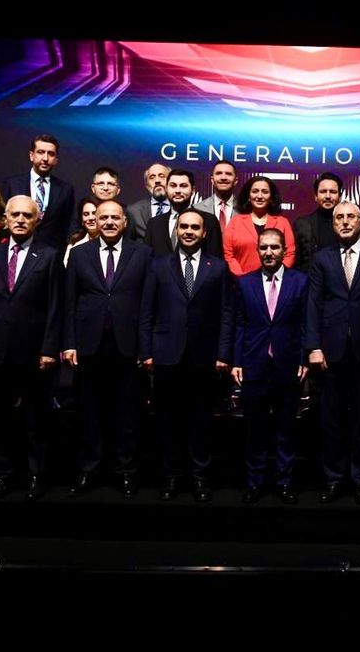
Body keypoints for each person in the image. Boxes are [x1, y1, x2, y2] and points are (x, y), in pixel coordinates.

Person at [0, 196, 63, 501]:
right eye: (15, 214)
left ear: (37, 220)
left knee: (36, 420)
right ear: (5, 218)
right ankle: (1, 475)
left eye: (27, 215)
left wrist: (50, 349)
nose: (21, 220)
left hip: (34, 352)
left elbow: (56, 307)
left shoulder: (49, 255)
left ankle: (36, 475)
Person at [139, 210, 233, 504]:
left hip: (204, 356)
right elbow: (147, 311)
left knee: (201, 420)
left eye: (195, 227)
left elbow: (226, 313)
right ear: (176, 231)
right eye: (184, 227)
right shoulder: (158, 266)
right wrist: (146, 351)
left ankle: (199, 476)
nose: (189, 231)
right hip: (166, 354)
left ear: (205, 233)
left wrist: (223, 353)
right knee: (168, 420)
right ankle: (171, 476)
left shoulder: (218, 267)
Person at [63, 200, 153, 498]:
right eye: (104, 218)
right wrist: (69, 343)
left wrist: (145, 347)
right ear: (95, 222)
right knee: (89, 413)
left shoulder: (142, 253)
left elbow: (148, 303)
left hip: (128, 344)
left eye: (116, 217)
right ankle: (88, 470)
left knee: (127, 414)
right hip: (88, 344)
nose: (110, 222)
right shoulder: (79, 253)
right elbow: (69, 301)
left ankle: (126, 471)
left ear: (125, 222)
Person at [304, 201, 360, 505]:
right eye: (339, 217)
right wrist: (314, 346)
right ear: (333, 224)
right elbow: (313, 304)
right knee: (331, 421)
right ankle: (334, 480)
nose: (344, 222)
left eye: (350, 217)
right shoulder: (322, 258)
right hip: (330, 351)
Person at [223, 228, 309, 505]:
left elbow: (305, 323)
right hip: (254, 363)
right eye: (264, 247)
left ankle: (284, 482)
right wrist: (237, 361)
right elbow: (239, 325)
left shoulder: (300, 281)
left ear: (284, 250)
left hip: (287, 363)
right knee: (254, 429)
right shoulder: (244, 283)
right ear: (258, 250)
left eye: (274, 247)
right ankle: (254, 482)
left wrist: (304, 358)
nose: (269, 252)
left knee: (286, 428)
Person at [2, 134, 75, 252]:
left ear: (56, 159)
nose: (45, 158)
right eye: (40, 152)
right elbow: (4, 220)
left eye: (51, 154)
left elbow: (68, 224)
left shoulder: (65, 189)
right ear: (31, 155)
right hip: (18, 249)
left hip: (52, 253)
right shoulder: (12, 184)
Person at [223, 175, 296, 275]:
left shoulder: (282, 222)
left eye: (265, 192)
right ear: (248, 196)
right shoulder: (235, 222)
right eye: (255, 191)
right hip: (240, 280)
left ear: (271, 197)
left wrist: (276, 275)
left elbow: (290, 253)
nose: (260, 196)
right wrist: (242, 277)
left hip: (275, 281)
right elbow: (228, 254)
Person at [144, 168, 223, 258]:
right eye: (173, 186)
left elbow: (216, 260)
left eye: (183, 186)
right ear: (166, 189)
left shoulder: (209, 220)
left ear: (193, 190)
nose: (178, 190)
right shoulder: (154, 223)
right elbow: (146, 259)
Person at [292, 172, 343, 271]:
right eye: (323, 191)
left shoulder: (349, 225)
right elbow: (296, 261)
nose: (328, 196)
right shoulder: (302, 224)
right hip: (309, 278)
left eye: (333, 192)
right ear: (315, 196)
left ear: (340, 197)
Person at [126, 163, 171, 240]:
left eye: (162, 176)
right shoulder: (134, 211)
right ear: (147, 185)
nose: (157, 181)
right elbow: (128, 242)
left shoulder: (182, 209)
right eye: (152, 177)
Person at [195, 159, 238, 232]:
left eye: (228, 174)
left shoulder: (246, 209)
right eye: (218, 173)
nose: (223, 178)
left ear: (236, 181)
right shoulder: (197, 209)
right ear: (212, 180)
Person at [64, 197, 100, 266]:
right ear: (82, 220)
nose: (90, 218)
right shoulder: (74, 244)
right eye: (86, 214)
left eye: (94, 213)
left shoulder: (111, 242)